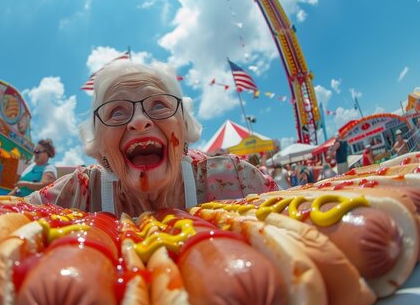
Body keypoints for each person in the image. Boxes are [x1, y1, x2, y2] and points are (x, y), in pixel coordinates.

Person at [25, 60, 278, 217]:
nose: (138, 121)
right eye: (117, 111)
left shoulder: (237, 180)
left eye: (158, 105)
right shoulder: (77, 193)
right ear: (100, 147)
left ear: (184, 127)